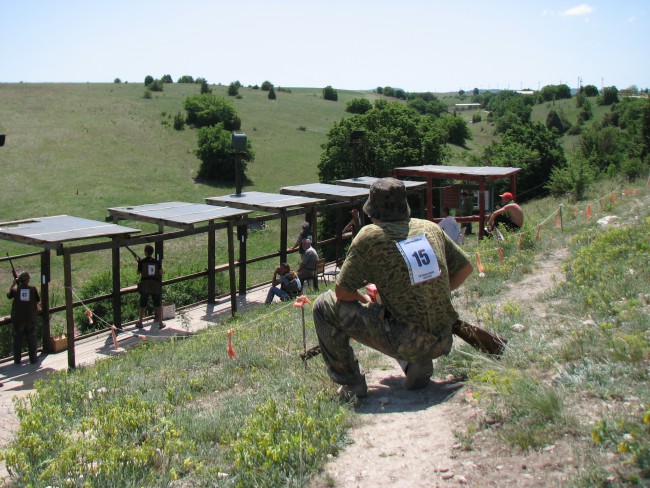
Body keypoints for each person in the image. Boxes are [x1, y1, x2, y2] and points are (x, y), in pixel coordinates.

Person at [312, 177, 473, 399]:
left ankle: (351, 382)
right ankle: (413, 365)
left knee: (323, 304)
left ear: (371, 211)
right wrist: (435, 295)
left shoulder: (371, 235)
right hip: (443, 336)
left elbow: (342, 292)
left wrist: (367, 302)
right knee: (390, 306)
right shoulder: (430, 228)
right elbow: (465, 268)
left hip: (408, 340)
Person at [7, 271, 40, 365]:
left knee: (17, 340)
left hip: (18, 319)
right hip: (30, 318)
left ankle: (17, 360)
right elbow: (38, 300)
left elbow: (9, 295)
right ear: (27, 280)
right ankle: (33, 359)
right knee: (32, 339)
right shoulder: (33, 289)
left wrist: (14, 283)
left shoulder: (15, 290)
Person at [136, 245, 165, 330]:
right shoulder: (157, 262)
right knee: (157, 304)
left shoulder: (142, 262)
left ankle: (140, 322)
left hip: (145, 285)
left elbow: (138, 272)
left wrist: (138, 263)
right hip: (155, 285)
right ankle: (160, 322)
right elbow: (160, 272)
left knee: (143, 303)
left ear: (145, 252)